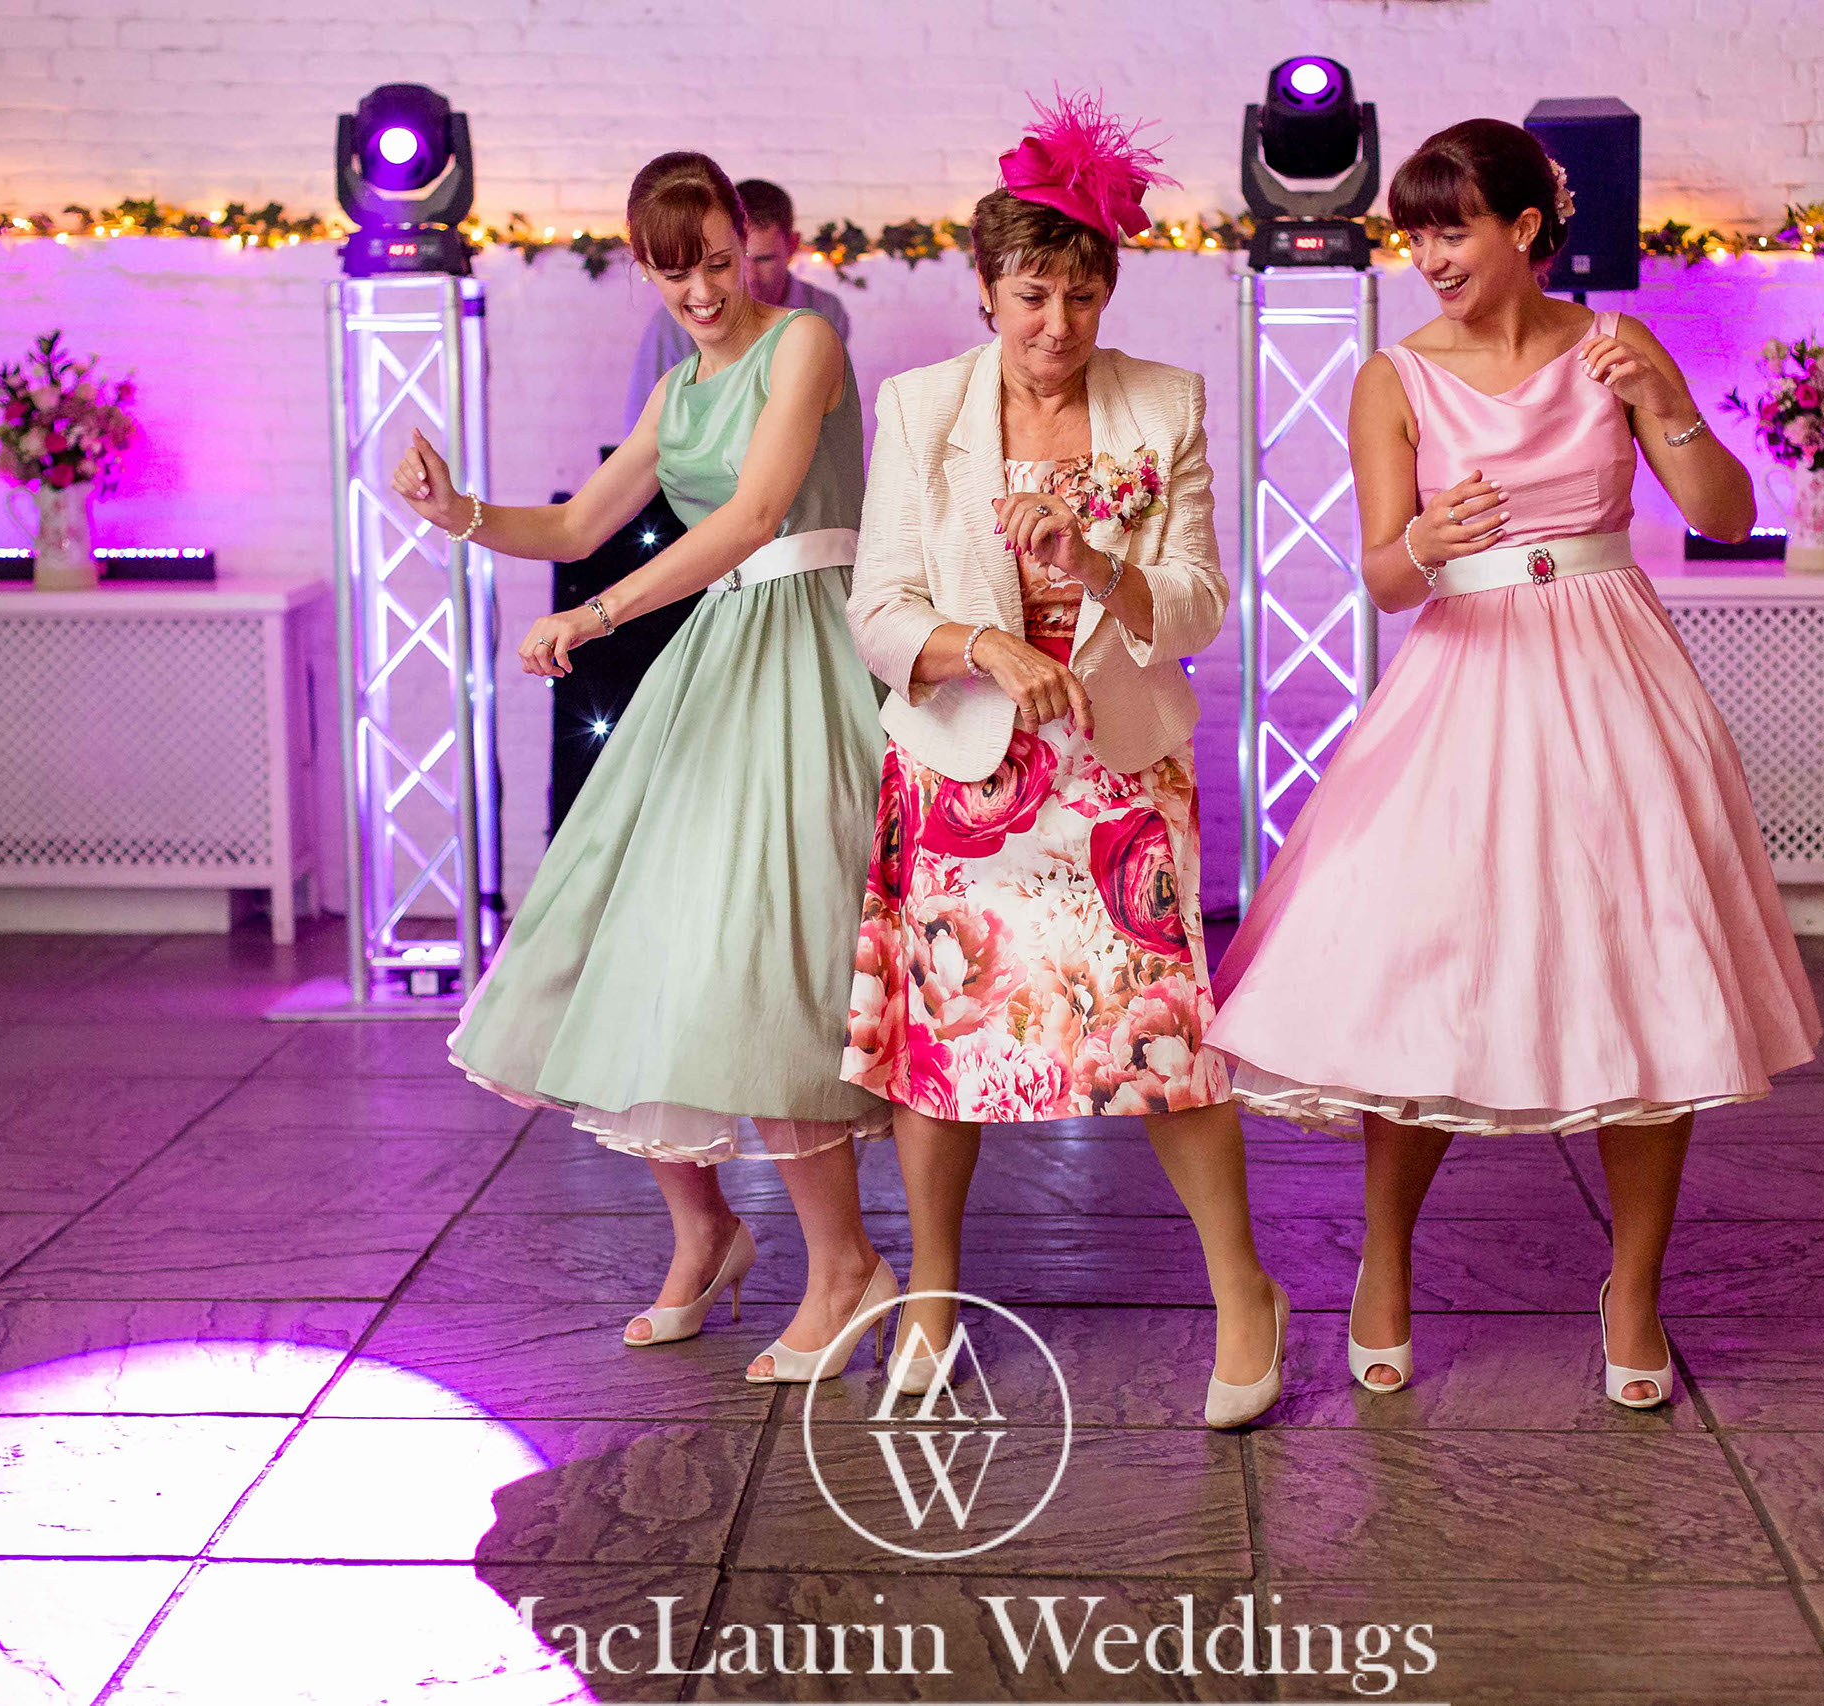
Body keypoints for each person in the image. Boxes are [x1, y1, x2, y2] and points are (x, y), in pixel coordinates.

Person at [1208, 119, 1822, 1410]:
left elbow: (1723, 517)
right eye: (1415, 230)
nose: (1429, 254)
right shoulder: (1394, 378)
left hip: (1613, 670)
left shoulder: (1613, 348)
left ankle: (1636, 1288)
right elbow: (1380, 581)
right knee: (1423, 968)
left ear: (1527, 228)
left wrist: (1664, 402)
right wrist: (1425, 535)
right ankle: (1385, 1259)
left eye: (1454, 227)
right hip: (1468, 673)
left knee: (1651, 970)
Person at [397, 153, 898, 1386]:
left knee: (766, 961)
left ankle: (845, 1265)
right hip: (718, 657)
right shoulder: (677, 395)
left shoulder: (805, 348)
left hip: (812, 652)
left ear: (749, 243)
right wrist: (458, 511)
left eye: (720, 264)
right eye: (677, 274)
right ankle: (706, 1231)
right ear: (647, 269)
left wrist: (599, 614)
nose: (705, 293)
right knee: (638, 945)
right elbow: (574, 525)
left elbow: (756, 512)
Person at [842, 94, 1287, 1430]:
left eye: (1083, 297)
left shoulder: (1166, 402)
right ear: (986, 289)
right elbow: (876, 609)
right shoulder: (920, 410)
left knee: (1164, 1037)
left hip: (1117, 769)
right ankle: (930, 1295)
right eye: (1032, 294)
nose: (1057, 325)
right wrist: (985, 644)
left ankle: (1243, 1291)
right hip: (966, 766)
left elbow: (1204, 599)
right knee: (941, 1040)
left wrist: (1099, 567)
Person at [623, 178, 852, 424]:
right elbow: (641, 424)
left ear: (793, 245)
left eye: (765, 259)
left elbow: (820, 414)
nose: (751, 277)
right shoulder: (675, 321)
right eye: (738, 260)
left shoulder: (825, 313)